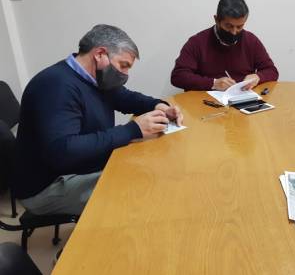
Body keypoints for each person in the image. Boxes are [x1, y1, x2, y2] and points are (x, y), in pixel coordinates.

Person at [11, 24, 183, 215]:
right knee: (141, 190)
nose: (125, 74)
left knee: (147, 167)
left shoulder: (96, 79)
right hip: (47, 186)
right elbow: (62, 150)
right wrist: (132, 130)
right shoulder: (55, 86)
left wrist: (160, 106)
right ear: (100, 54)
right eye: (123, 65)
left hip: (78, 165)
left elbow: (126, 98)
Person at [171, 0, 279, 91]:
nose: (234, 32)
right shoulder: (197, 42)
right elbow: (178, 76)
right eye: (229, 26)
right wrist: (213, 83)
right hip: (206, 103)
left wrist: (258, 77)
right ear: (216, 20)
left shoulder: (251, 40)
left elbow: (272, 71)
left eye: (240, 26)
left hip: (242, 101)